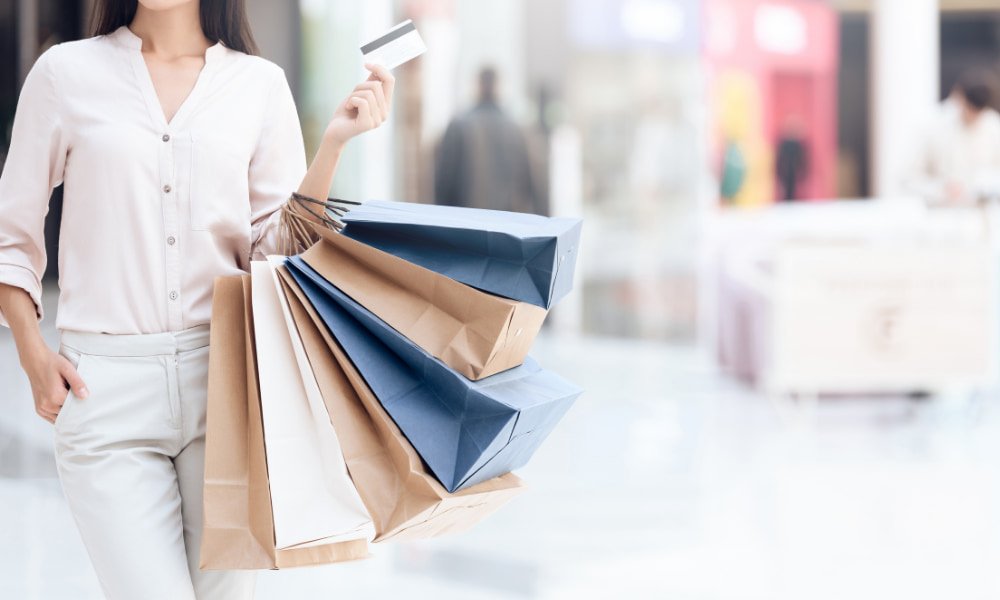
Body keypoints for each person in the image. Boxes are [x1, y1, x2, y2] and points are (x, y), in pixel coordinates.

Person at [0, 1, 394, 598]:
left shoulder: (258, 85)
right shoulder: (64, 74)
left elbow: (276, 254)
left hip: (229, 386)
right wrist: (31, 352)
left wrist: (333, 145)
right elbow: (12, 232)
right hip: (104, 394)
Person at [434, 66, 544, 215]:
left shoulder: (458, 126)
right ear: (499, 86)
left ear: (477, 85)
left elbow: (443, 184)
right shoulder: (517, 130)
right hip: (508, 224)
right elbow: (534, 185)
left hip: (466, 224)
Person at [905, 68, 1000, 205]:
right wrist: (940, 189)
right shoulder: (931, 125)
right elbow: (908, 178)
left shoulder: (993, 126)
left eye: (978, 113)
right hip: (942, 215)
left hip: (982, 216)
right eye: (969, 110)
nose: (973, 117)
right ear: (959, 96)